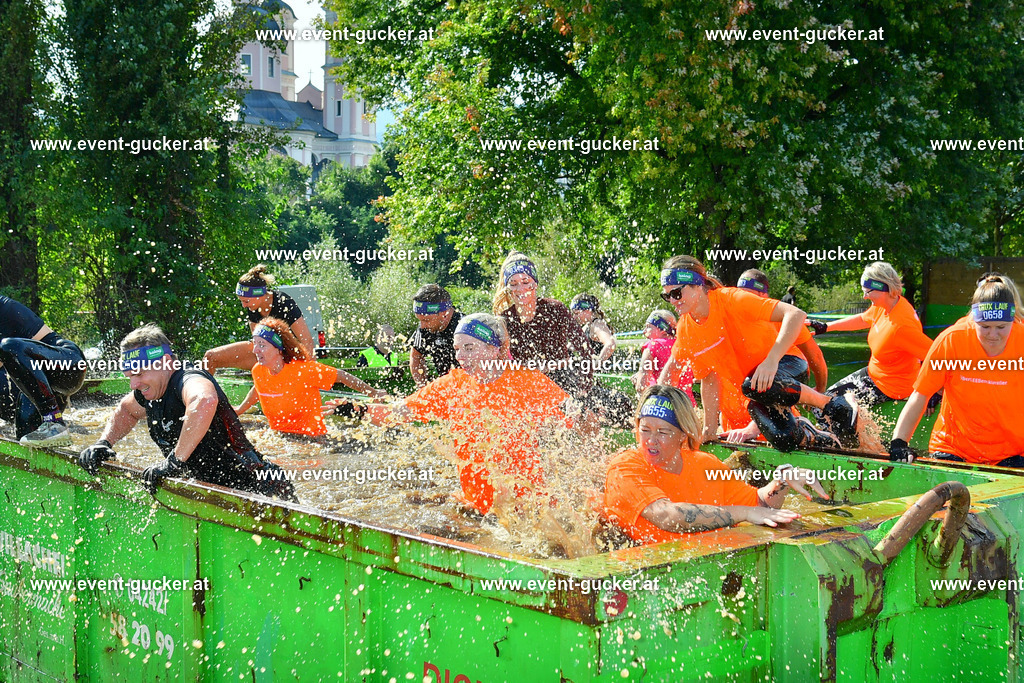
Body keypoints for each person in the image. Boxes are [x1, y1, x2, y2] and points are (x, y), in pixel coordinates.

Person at [325, 313, 595, 514]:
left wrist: (586, 467)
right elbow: (400, 412)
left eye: (469, 348)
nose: (460, 357)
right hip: (475, 506)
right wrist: (357, 409)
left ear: (493, 349)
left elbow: (577, 422)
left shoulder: (528, 382)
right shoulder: (452, 385)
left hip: (526, 508)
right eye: (457, 349)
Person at [656, 255, 858, 452]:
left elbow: (796, 315)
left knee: (752, 386)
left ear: (697, 284)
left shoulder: (732, 299)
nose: (672, 301)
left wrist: (772, 360)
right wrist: (709, 430)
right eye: (667, 296)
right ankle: (814, 435)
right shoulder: (686, 330)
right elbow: (708, 380)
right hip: (757, 390)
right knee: (783, 439)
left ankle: (832, 404)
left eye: (676, 293)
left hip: (787, 365)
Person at [77, 324, 296, 501]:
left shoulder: (188, 379)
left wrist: (174, 462)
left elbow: (205, 400)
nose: (133, 384)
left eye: (139, 374)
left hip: (262, 490)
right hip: (219, 491)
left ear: (165, 362)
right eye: (130, 376)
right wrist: (104, 442)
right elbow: (127, 410)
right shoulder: (150, 391)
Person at [604, 385, 826, 544]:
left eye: (663, 432)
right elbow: (667, 516)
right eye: (645, 430)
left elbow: (760, 505)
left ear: (683, 434)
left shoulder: (704, 463)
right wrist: (744, 513)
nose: (651, 440)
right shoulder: (625, 467)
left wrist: (781, 481)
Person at [889, 277, 1024, 465]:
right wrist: (899, 442)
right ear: (973, 319)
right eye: (985, 327)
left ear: (1013, 320)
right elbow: (921, 394)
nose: (993, 335)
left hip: (1011, 451)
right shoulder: (951, 340)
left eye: (1001, 327)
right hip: (952, 447)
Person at [232, 318, 386, 436]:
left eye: (262, 345)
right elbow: (259, 387)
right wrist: (240, 409)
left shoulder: (304, 371)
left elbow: (342, 375)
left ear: (279, 349)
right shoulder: (258, 371)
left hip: (312, 440)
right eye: (255, 344)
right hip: (279, 436)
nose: (255, 350)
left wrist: (373, 393)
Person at [808, 262, 932, 409]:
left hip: (890, 387)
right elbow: (863, 319)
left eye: (867, 292)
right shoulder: (884, 306)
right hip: (873, 374)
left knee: (829, 408)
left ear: (883, 288)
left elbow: (938, 357)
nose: (864, 297)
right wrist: (826, 327)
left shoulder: (901, 326)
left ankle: (855, 424)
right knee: (823, 402)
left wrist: (932, 391)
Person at [493, 252, 594, 397]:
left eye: (526, 282)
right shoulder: (505, 319)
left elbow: (584, 348)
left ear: (535, 283)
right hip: (526, 387)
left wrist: (585, 385)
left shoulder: (555, 309)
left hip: (562, 383)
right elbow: (499, 362)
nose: (520, 289)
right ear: (508, 288)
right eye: (513, 284)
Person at [0, 296, 86, 447]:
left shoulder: (6, 307)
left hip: (67, 364)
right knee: (26, 440)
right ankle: (51, 427)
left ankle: (54, 422)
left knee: (9, 346)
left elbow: (24, 352)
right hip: (37, 383)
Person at [203, 265, 314, 374]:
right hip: (267, 353)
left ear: (259, 295)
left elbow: (307, 342)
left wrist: (310, 371)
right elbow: (257, 341)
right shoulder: (252, 306)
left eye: (246, 301)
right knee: (210, 357)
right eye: (241, 301)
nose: (244, 306)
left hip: (289, 357)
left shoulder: (284, 302)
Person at [737, 269, 828, 393]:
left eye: (748, 295)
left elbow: (815, 356)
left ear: (763, 294)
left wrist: (820, 390)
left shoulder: (785, 316)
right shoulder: (733, 312)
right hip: (759, 368)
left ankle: (822, 401)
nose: (743, 300)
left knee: (758, 384)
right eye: (739, 294)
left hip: (793, 362)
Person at [630, 310, 695, 406]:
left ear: (662, 329)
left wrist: (638, 379)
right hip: (688, 405)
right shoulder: (683, 345)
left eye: (648, 327)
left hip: (664, 406)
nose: (644, 332)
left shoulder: (653, 345)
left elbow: (642, 386)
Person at [408, 284, 462, 388]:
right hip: (445, 387)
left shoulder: (464, 327)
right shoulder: (425, 329)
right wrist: (423, 387)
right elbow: (416, 356)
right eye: (420, 320)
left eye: (426, 320)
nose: (422, 326)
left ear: (444, 313)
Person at [569, 293, 617, 364]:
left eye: (576, 313)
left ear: (588, 310)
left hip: (605, 369)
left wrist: (597, 364)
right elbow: (572, 346)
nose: (574, 317)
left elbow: (611, 344)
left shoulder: (597, 325)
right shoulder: (587, 326)